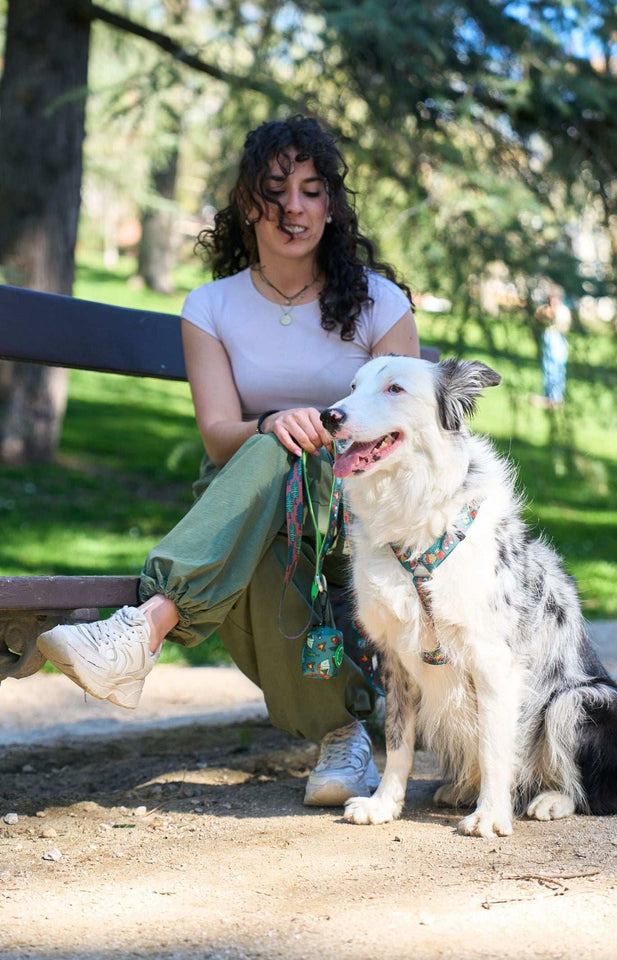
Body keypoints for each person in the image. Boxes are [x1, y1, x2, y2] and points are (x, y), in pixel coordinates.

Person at [37, 115, 421, 807]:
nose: (294, 208)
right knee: (269, 472)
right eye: (276, 190)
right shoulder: (211, 306)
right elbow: (219, 434)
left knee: (282, 449)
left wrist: (312, 431)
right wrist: (276, 423)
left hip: (355, 504)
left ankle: (144, 628)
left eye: (311, 191)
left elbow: (406, 430)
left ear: (331, 206)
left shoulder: (378, 303)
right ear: (248, 204)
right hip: (252, 502)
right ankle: (342, 732)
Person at [535, 290, 571, 407]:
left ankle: (556, 398)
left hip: (557, 342)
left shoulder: (563, 311)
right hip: (549, 340)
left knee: (557, 370)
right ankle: (548, 396)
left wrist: (555, 319)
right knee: (548, 368)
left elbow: (565, 326)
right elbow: (538, 316)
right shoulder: (547, 309)